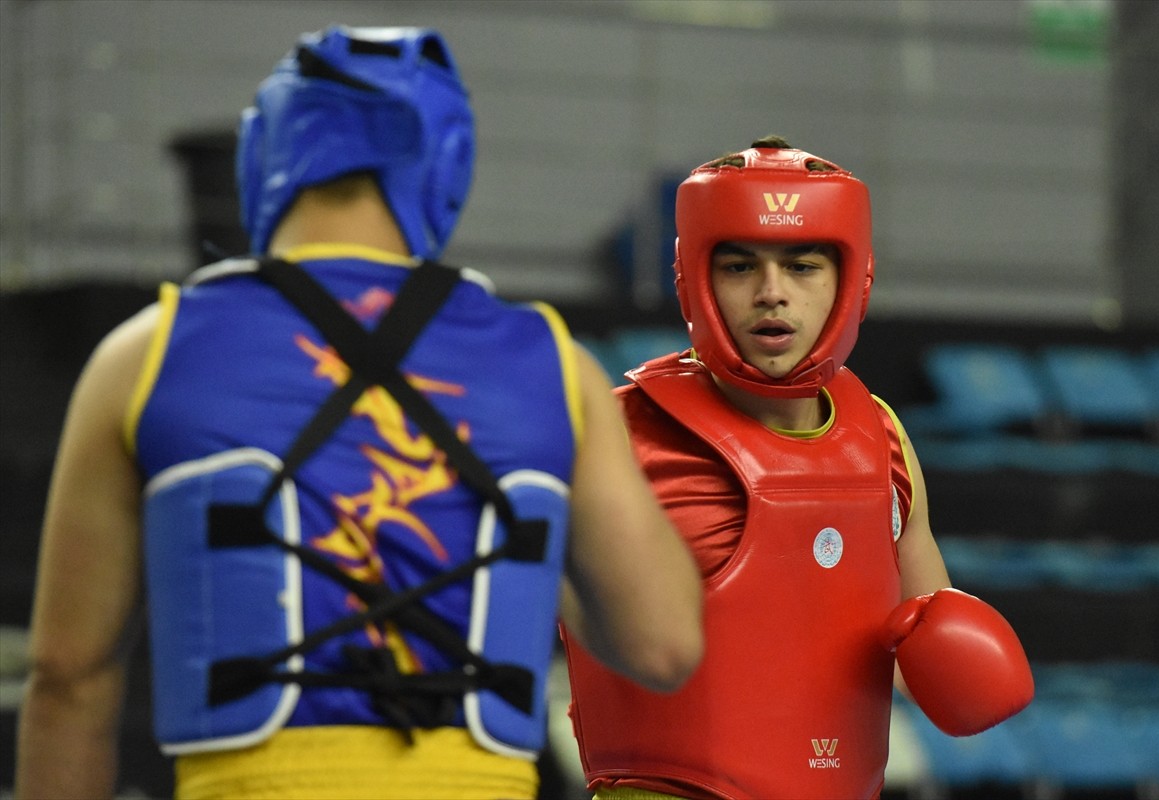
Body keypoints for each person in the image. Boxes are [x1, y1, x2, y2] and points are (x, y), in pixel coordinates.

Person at [15, 25, 702, 800]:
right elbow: (663, 643)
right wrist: (540, 556)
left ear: (265, 158)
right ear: (444, 165)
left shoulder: (144, 356)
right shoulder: (553, 364)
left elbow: (69, 678)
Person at [561, 136, 1034, 800]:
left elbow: (917, 640)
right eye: (739, 266)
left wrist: (958, 660)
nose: (771, 294)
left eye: (803, 266)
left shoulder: (883, 437)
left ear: (852, 278)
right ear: (693, 276)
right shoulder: (619, 437)